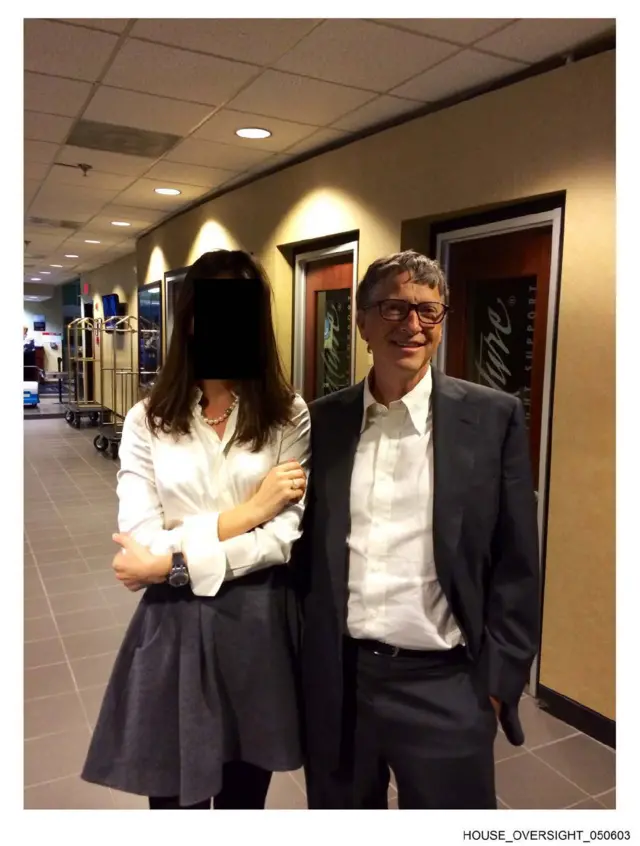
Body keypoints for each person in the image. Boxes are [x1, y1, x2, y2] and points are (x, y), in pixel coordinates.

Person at [293, 250, 540, 810]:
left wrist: (496, 686)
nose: (413, 325)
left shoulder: (492, 418)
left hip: (446, 685)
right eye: (394, 308)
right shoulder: (324, 421)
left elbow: (517, 562)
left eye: (429, 311)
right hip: (341, 681)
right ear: (362, 322)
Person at [81, 250, 311, 810]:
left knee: (241, 802)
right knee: (173, 802)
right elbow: (141, 537)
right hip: (172, 622)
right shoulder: (147, 419)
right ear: (188, 321)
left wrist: (170, 564)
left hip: (255, 623)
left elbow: (282, 539)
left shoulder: (288, 414)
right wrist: (249, 513)